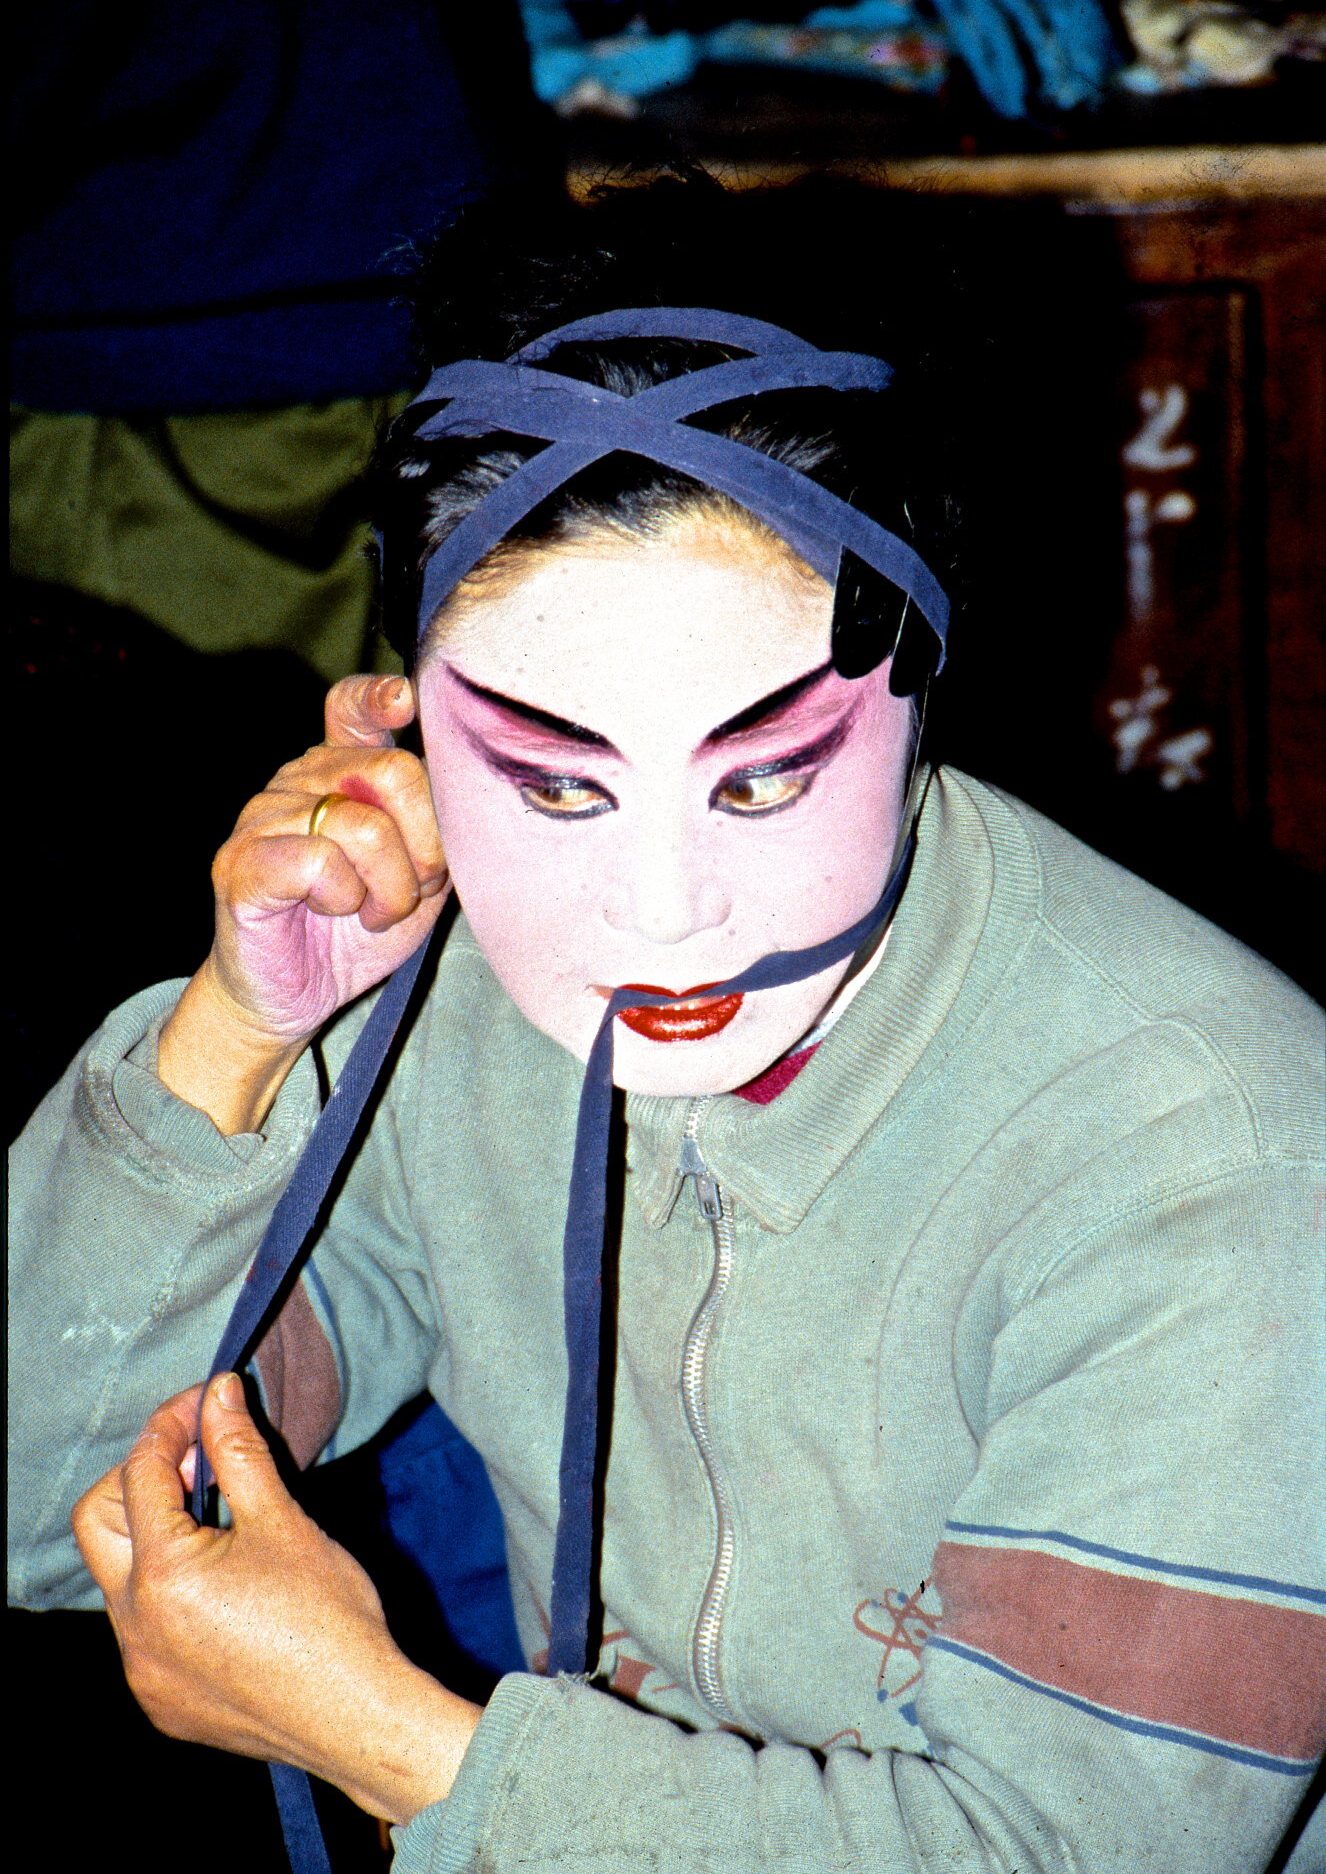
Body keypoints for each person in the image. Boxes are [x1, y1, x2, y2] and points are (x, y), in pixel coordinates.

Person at [9, 180, 1323, 1873]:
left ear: (923, 688)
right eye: (552, 783)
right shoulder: (455, 998)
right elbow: (52, 1507)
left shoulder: (1221, 1175)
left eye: (764, 774)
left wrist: (391, 1738)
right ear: (398, 725)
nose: (660, 909)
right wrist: (231, 1037)